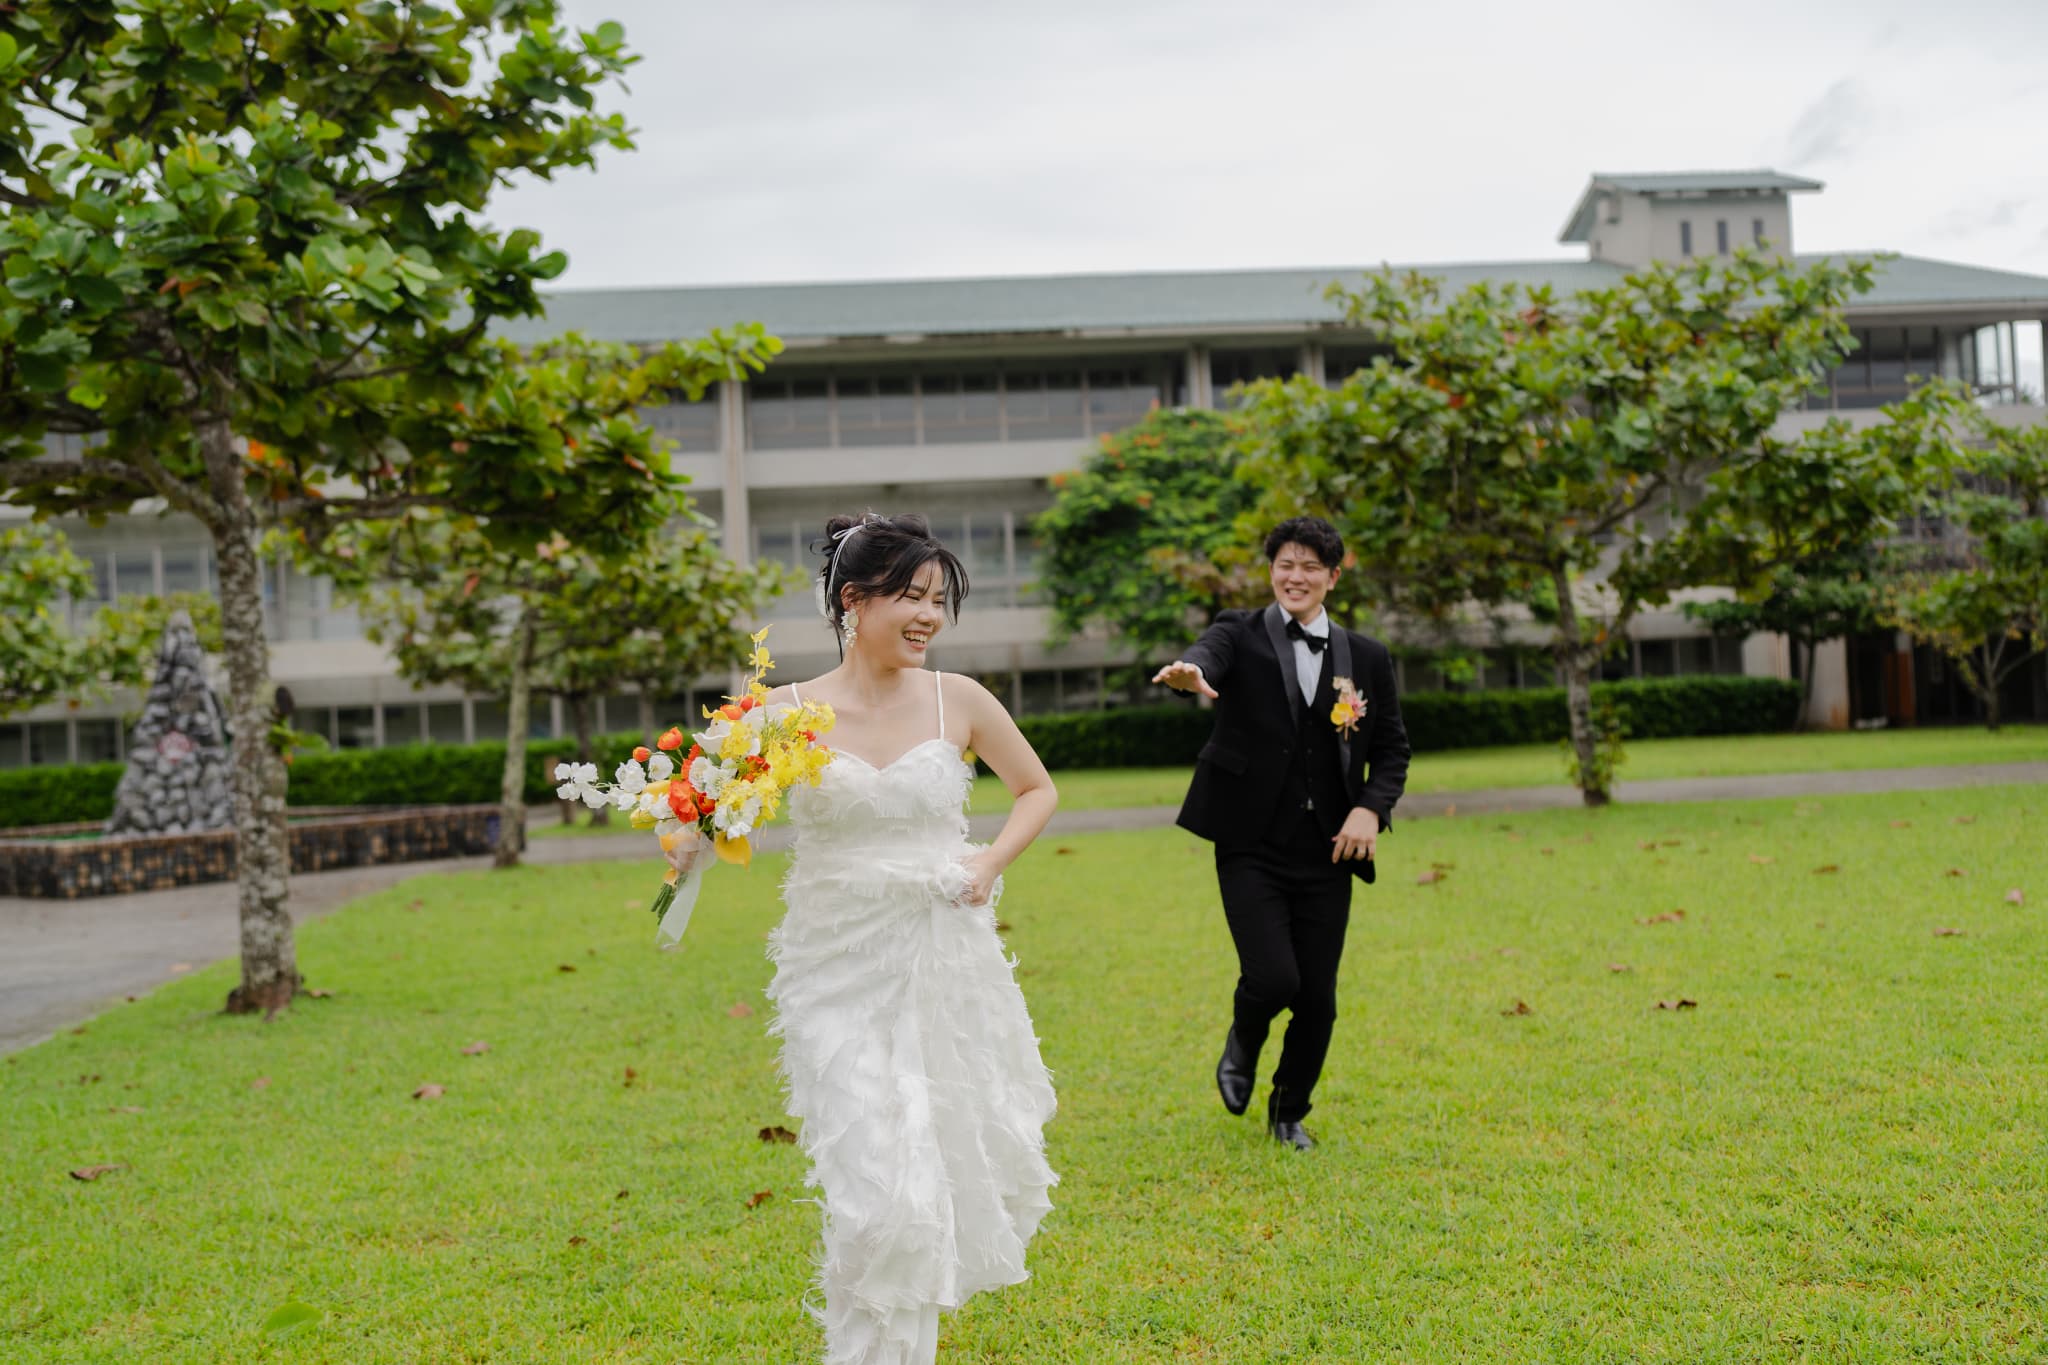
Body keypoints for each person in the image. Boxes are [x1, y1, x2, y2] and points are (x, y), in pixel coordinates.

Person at [672, 512, 1058, 1365]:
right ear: (853, 599)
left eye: (938, 600)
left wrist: (988, 861)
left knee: (924, 1180)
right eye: (912, 596)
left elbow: (1036, 790)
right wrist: (687, 834)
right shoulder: (781, 712)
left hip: (941, 963)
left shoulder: (959, 699)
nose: (929, 616)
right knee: (874, 1189)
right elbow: (709, 811)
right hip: (833, 971)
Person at [1152, 516, 1410, 1151]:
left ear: (1333, 577)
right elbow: (1207, 657)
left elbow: (1392, 750)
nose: (1296, 577)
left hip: (1329, 848)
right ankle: (1242, 1043)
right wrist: (1191, 673)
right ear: (1271, 571)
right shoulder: (1237, 630)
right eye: (1285, 565)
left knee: (1318, 999)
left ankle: (1289, 1110)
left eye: (1310, 567)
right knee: (1273, 979)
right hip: (1251, 842)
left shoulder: (1367, 657)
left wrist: (1370, 810)